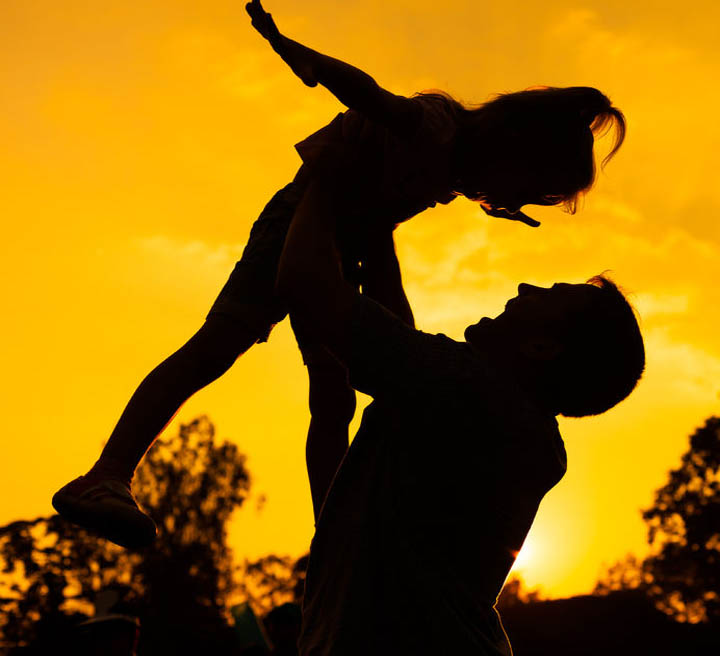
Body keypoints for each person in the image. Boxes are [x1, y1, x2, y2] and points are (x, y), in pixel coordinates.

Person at [52, 0, 626, 548]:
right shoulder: (436, 127)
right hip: (295, 229)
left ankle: (331, 533)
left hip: (338, 247)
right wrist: (302, 56)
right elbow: (371, 96)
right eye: (528, 190)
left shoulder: (448, 170)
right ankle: (108, 473)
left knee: (334, 394)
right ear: (515, 148)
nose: (514, 201)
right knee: (215, 347)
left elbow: (379, 248)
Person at [275, 168, 645, 655]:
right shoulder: (506, 419)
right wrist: (378, 231)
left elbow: (305, 282)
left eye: (546, 296)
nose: (525, 287)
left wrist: (326, 173)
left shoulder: (472, 392)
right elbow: (398, 346)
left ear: (539, 346)